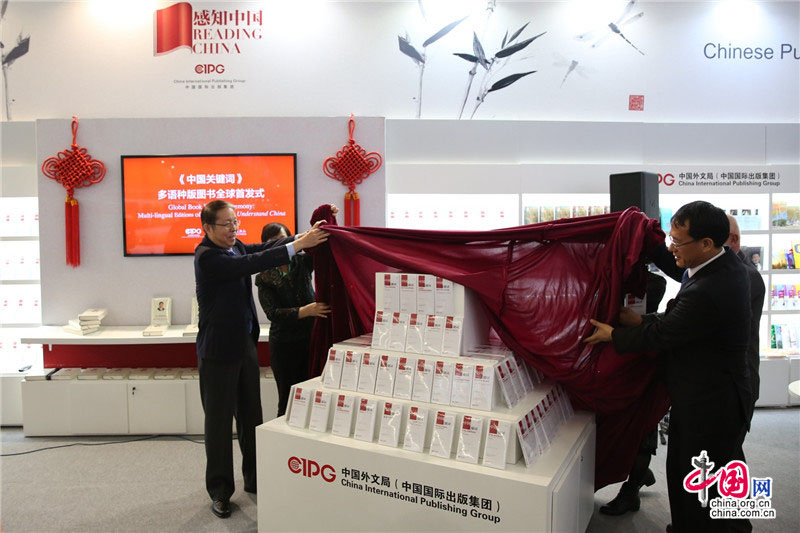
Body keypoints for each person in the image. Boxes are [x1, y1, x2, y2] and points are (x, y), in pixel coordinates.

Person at [585, 201, 752, 532]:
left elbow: (666, 333)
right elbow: (682, 319)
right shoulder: (721, 263)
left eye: (678, 241)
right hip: (710, 395)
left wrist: (614, 335)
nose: (672, 248)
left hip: (711, 403)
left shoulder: (711, 288)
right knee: (699, 473)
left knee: (703, 482)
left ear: (706, 243)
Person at [194, 200, 328, 519]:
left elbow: (263, 247)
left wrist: (302, 235)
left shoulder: (234, 246)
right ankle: (220, 491)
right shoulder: (208, 257)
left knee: (251, 416)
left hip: (245, 346)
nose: (233, 229)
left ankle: (255, 479)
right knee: (219, 423)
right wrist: (299, 245)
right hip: (218, 352)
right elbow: (254, 261)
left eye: (235, 222)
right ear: (207, 228)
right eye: (226, 224)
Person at [255, 206, 338, 417]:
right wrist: (306, 310)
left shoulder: (302, 261)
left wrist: (325, 215)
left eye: (283, 240)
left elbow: (322, 247)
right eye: (274, 243)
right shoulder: (263, 276)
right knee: (288, 399)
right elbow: (273, 313)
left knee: (313, 394)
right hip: (284, 345)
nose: (280, 246)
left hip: (311, 337)